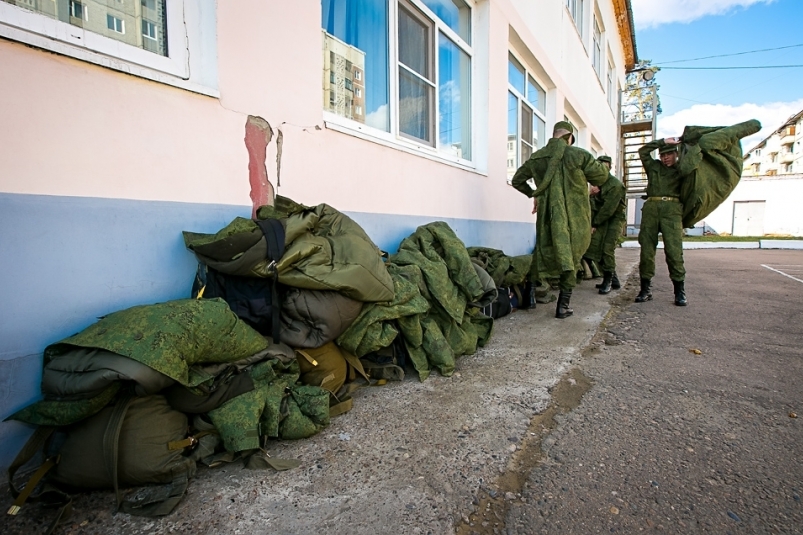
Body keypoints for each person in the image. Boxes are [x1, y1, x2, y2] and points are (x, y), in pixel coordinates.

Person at [511, 121, 610, 318]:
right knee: (571, 256)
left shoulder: (537, 157)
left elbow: (517, 180)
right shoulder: (579, 155)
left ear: (554, 135)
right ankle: (562, 306)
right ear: (570, 137)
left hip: (548, 216)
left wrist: (535, 194)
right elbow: (600, 177)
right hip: (575, 216)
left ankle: (530, 297)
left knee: (542, 252)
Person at [635, 137, 687, 306]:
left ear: (676, 154)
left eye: (669, 154)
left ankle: (679, 292)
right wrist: (662, 141)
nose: (665, 158)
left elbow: (694, 161)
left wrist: (682, 144)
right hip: (651, 208)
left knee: (674, 251)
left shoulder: (681, 169)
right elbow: (643, 151)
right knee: (647, 251)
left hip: (671, 210)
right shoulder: (654, 167)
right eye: (662, 154)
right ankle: (645, 290)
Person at [585, 155, 627, 294]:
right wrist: (591, 194)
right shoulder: (597, 183)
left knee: (607, 249)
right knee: (595, 248)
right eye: (599, 164)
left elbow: (609, 209)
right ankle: (613, 280)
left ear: (610, 167)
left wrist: (594, 223)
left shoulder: (615, 185)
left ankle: (608, 280)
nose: (602, 167)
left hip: (614, 219)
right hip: (602, 218)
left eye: (605, 164)